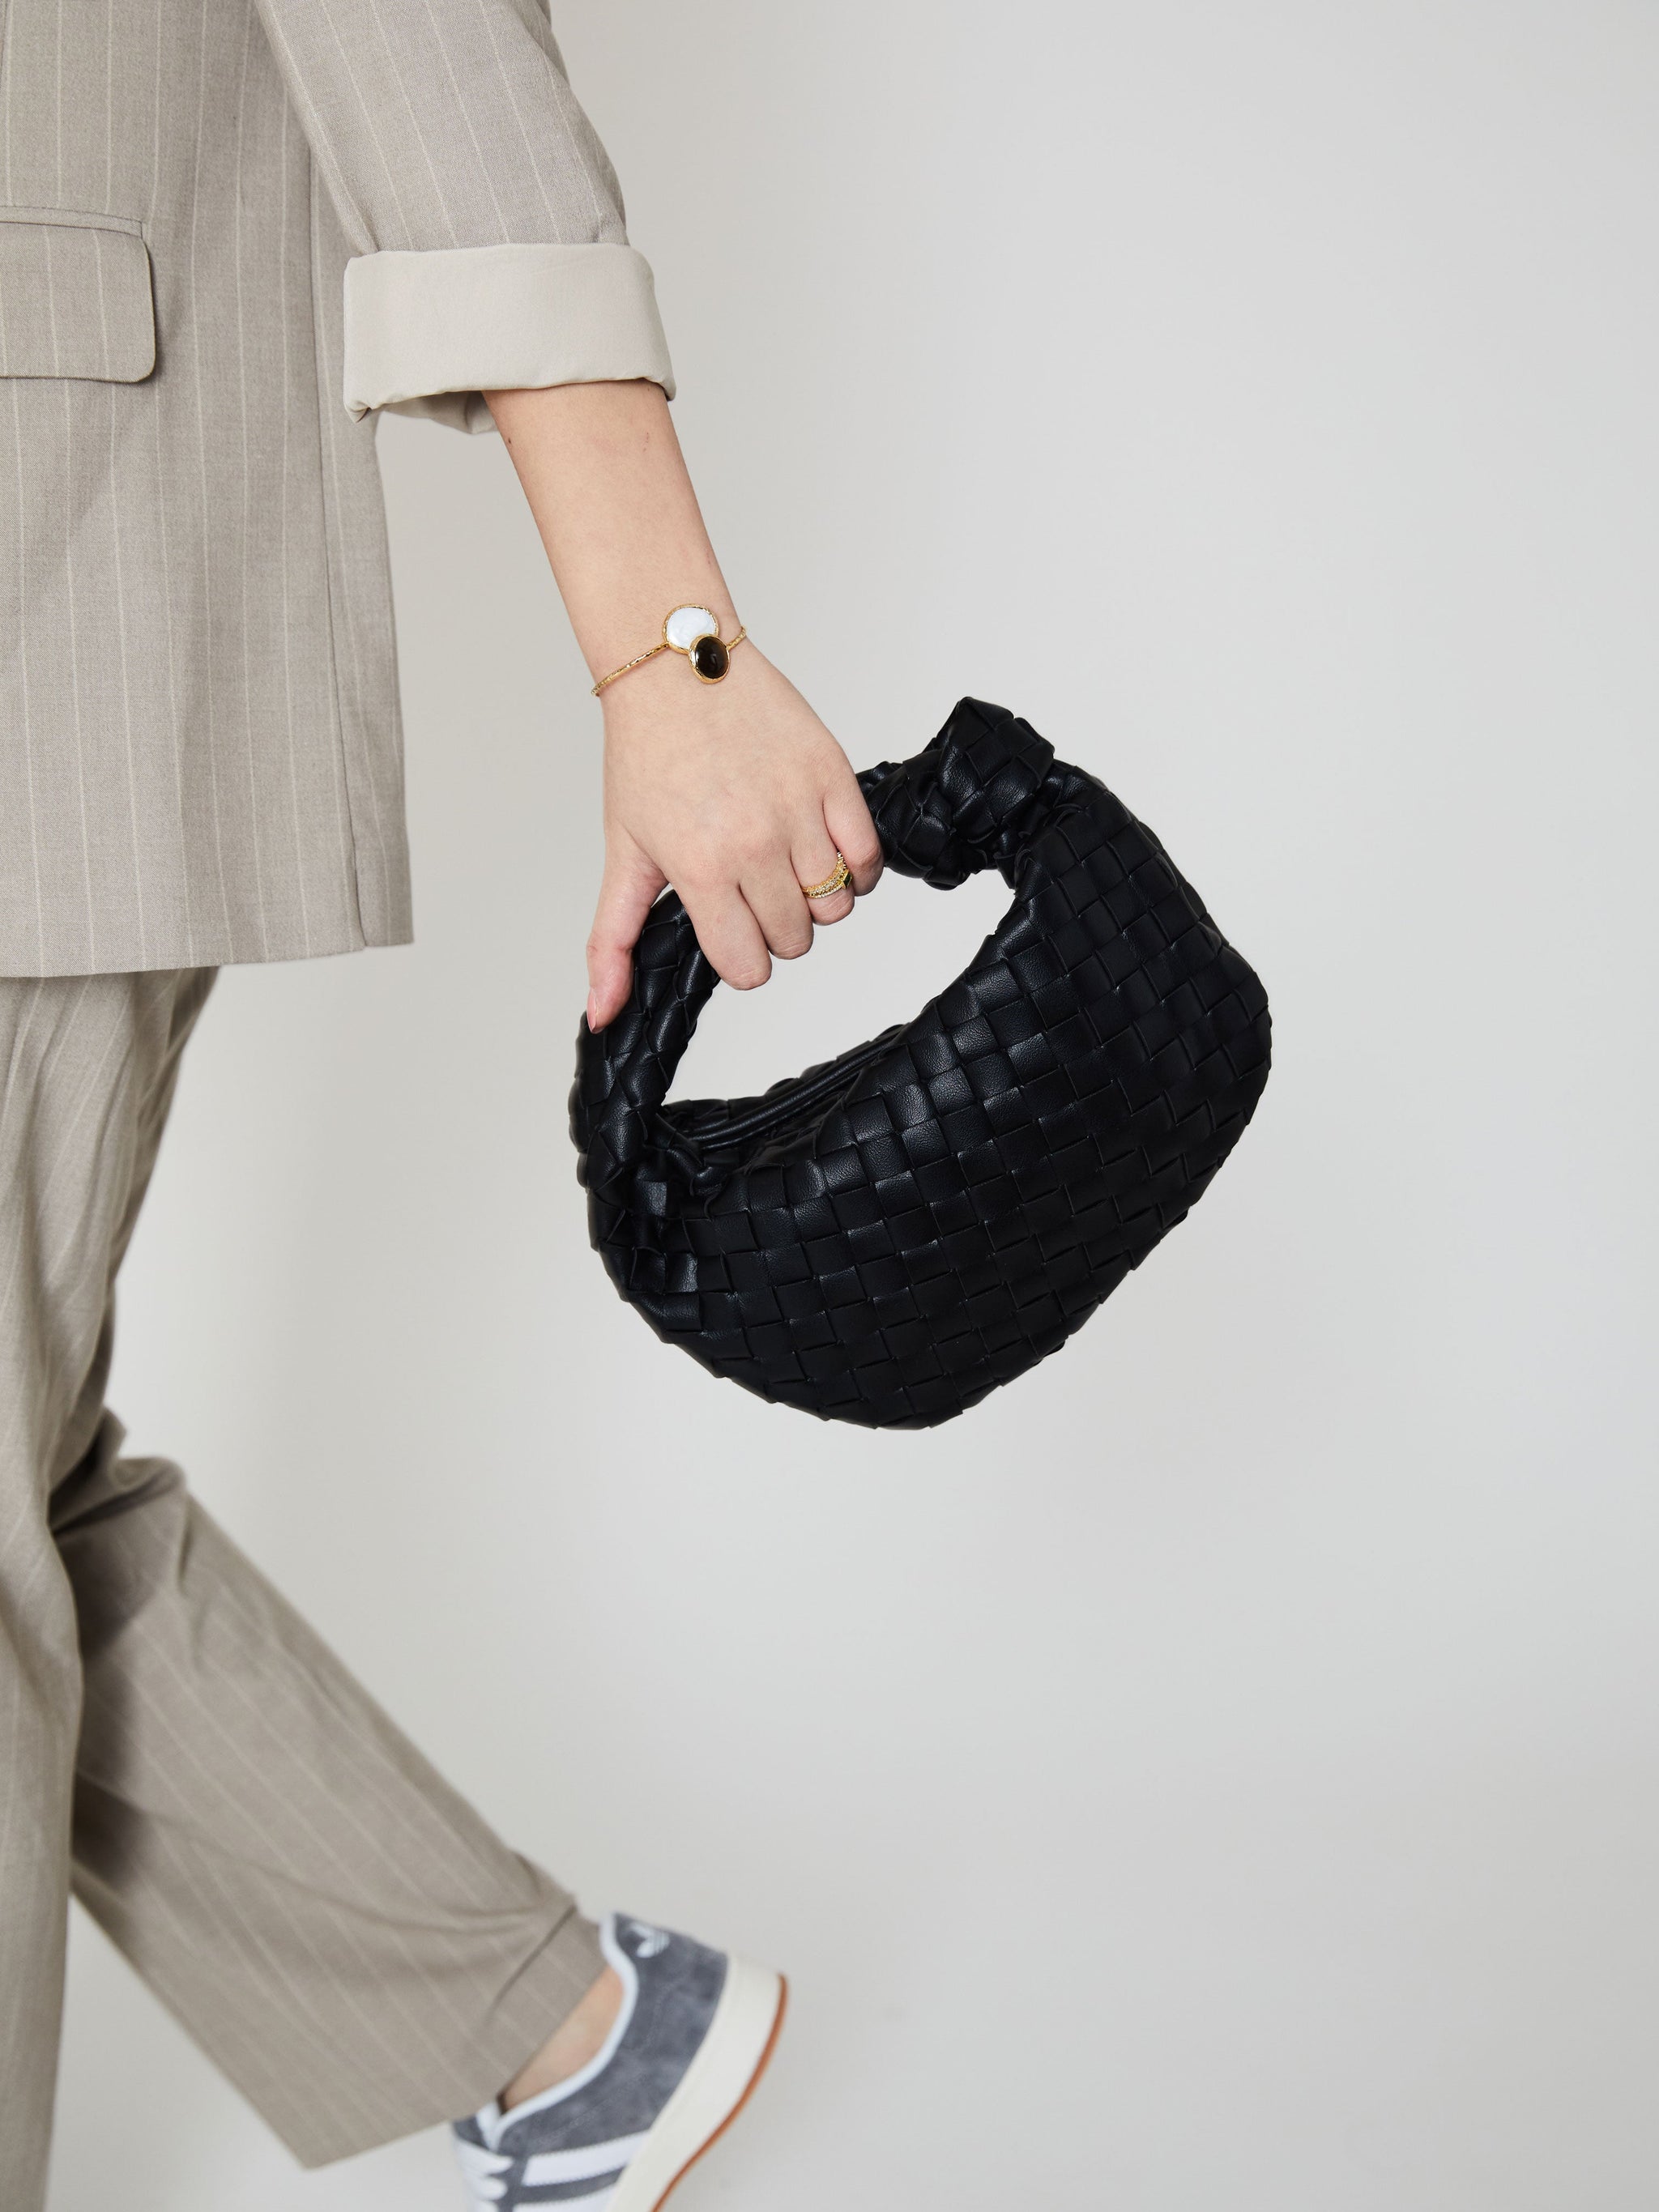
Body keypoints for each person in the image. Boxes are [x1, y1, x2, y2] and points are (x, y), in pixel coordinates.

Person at [0, 1, 881, 2206]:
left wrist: (667, 647)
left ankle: (566, 2034)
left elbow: (432, 46)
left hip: (45, 576)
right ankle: (568, 2036)